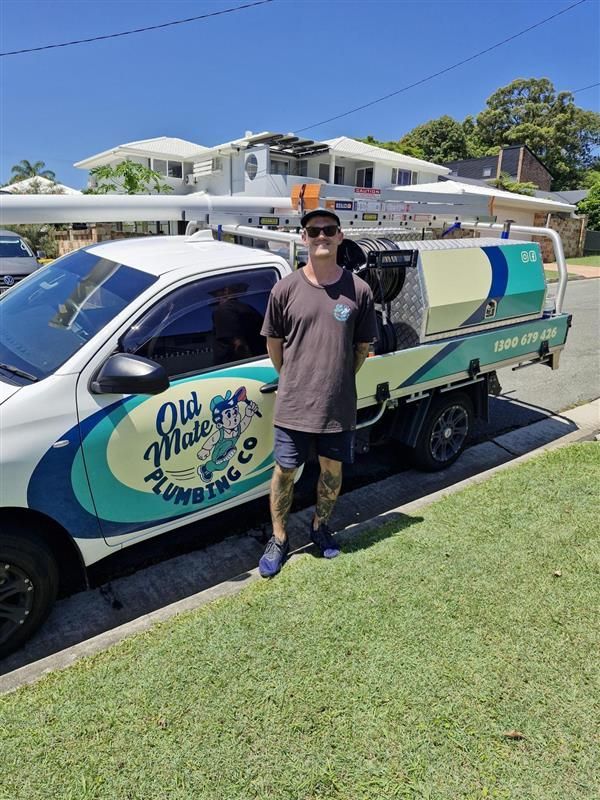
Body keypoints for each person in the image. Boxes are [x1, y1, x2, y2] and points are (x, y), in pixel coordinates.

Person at [258, 208, 377, 578]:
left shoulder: (359, 290)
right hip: (293, 404)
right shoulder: (286, 289)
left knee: (331, 470)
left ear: (340, 236)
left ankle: (319, 527)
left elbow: (361, 349)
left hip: (338, 405)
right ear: (304, 238)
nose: (321, 236)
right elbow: (274, 344)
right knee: (285, 471)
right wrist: (294, 377)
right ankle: (279, 538)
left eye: (328, 230)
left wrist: (337, 378)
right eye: (314, 230)